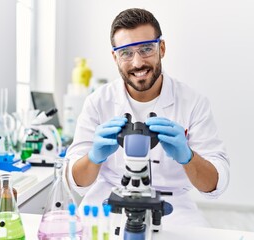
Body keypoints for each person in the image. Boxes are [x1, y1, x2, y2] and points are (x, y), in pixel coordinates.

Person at [65, 8, 229, 227]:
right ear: (115, 57)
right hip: (108, 200)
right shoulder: (97, 102)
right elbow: (78, 183)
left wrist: (188, 156)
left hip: (173, 205)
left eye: (146, 49)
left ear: (161, 48)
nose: (137, 63)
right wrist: (94, 157)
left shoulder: (193, 102)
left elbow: (214, 185)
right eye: (126, 53)